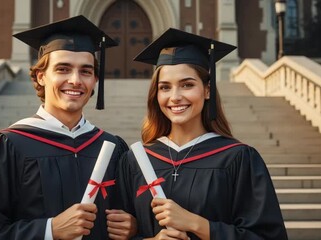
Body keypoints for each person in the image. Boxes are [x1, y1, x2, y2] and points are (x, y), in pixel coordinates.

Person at [0, 15, 136, 240]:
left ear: (94, 82)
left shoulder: (112, 148)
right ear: (41, 76)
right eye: (63, 69)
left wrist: (133, 227)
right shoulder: (6, 147)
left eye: (86, 71)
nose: (75, 80)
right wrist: (50, 230)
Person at [117, 28, 288, 240]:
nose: (175, 96)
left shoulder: (238, 158)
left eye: (187, 85)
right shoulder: (136, 160)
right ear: (156, 94)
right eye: (165, 87)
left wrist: (197, 224)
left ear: (207, 89)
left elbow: (267, 236)